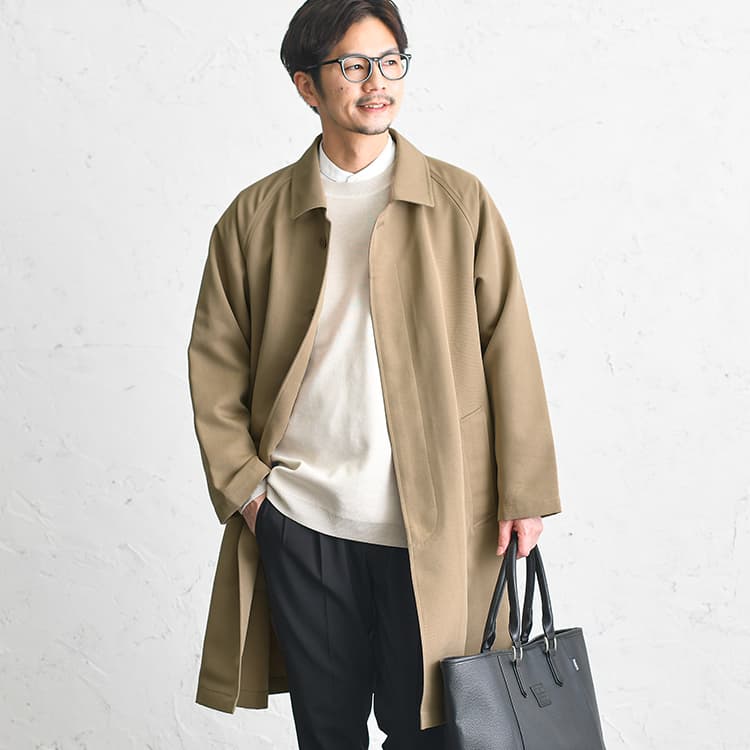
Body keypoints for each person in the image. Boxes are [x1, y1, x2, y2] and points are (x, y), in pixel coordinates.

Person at [186, 1, 562, 748]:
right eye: (353, 65)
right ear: (307, 85)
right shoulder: (254, 217)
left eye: (390, 61)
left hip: (439, 521)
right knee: (328, 732)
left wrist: (524, 492)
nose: (377, 82)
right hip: (304, 519)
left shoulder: (458, 202)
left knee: (430, 727)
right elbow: (215, 364)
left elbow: (509, 348)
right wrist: (252, 496)